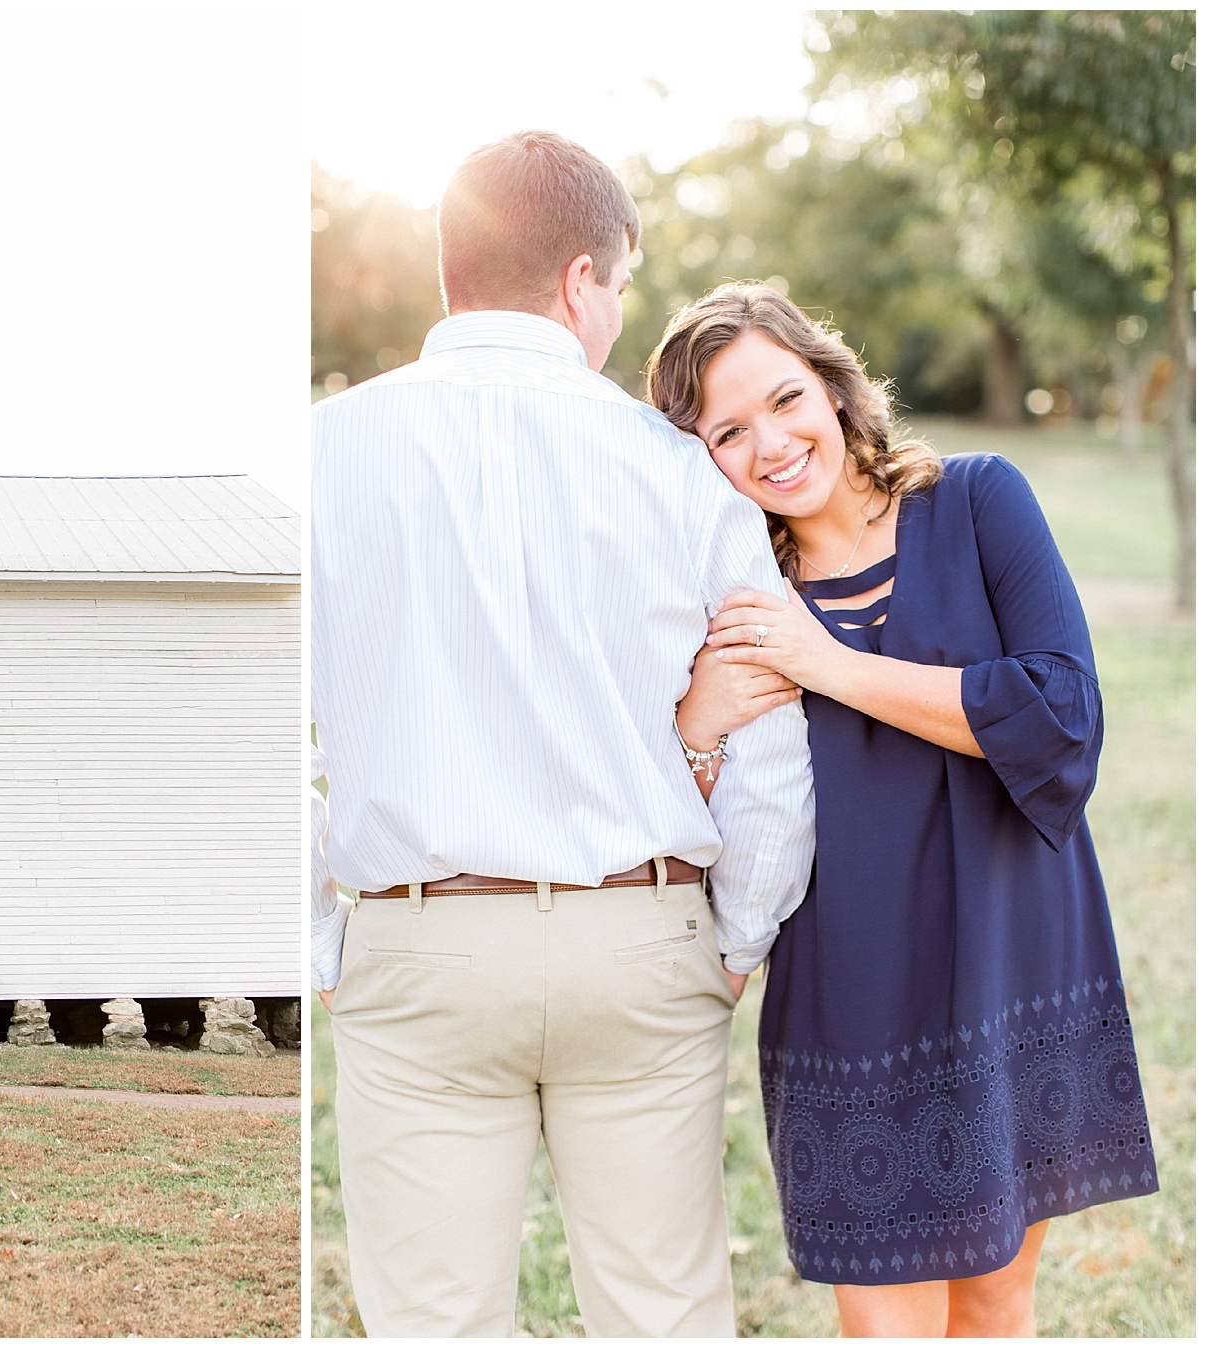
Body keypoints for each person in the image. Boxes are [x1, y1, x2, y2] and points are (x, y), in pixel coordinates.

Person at [310, 131, 816, 1338]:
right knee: (663, 1313)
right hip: (639, 932)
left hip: (418, 941)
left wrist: (327, 940)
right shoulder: (684, 474)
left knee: (432, 1321)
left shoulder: (319, 450)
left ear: (454, 270)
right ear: (583, 279)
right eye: (622, 289)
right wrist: (737, 929)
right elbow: (768, 738)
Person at [648, 283, 1159, 1337]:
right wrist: (698, 718)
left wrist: (827, 666)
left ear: (834, 390)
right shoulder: (731, 591)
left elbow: (1061, 714)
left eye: (787, 399)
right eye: (728, 430)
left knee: (995, 1304)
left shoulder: (978, 502)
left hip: (1014, 960)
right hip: (852, 1003)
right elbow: (674, 802)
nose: (772, 444)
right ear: (696, 457)